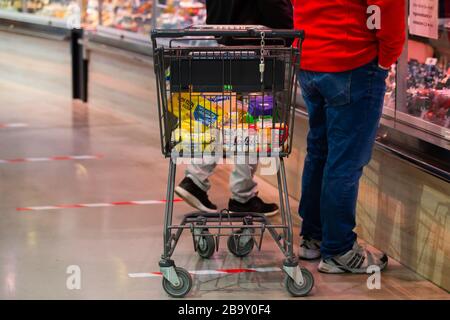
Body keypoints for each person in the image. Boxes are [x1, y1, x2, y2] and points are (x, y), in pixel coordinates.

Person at [294, 0, 406, 273]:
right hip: (351, 61)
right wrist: (385, 59)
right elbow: (386, 6)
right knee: (345, 161)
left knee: (320, 152)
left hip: (309, 57)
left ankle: (314, 237)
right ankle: (339, 250)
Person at [175, 0, 294, 217]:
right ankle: (243, 196)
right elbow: (277, 13)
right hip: (256, 51)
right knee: (253, 125)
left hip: (224, 46)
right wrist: (288, 33)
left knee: (226, 119)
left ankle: (195, 178)